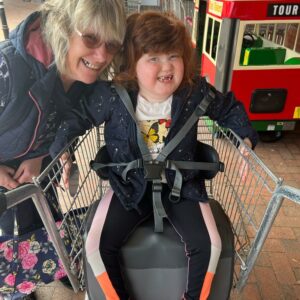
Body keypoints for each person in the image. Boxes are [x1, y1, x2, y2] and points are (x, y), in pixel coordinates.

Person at [50, 11, 258, 300]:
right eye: (153, 58)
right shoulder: (113, 95)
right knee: (95, 245)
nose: (167, 66)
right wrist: (63, 150)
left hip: (181, 186)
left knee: (210, 244)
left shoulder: (193, 92)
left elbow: (227, 108)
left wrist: (244, 140)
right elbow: (78, 117)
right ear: (132, 64)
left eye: (174, 56)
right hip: (127, 186)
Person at [0, 0, 126, 298]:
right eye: (91, 39)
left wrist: (50, 153)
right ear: (63, 28)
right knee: (7, 227)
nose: (102, 56)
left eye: (111, 44)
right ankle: (15, 284)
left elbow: (55, 120)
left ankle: (47, 267)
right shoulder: (8, 69)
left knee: (41, 217)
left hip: (33, 165)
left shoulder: (81, 79)